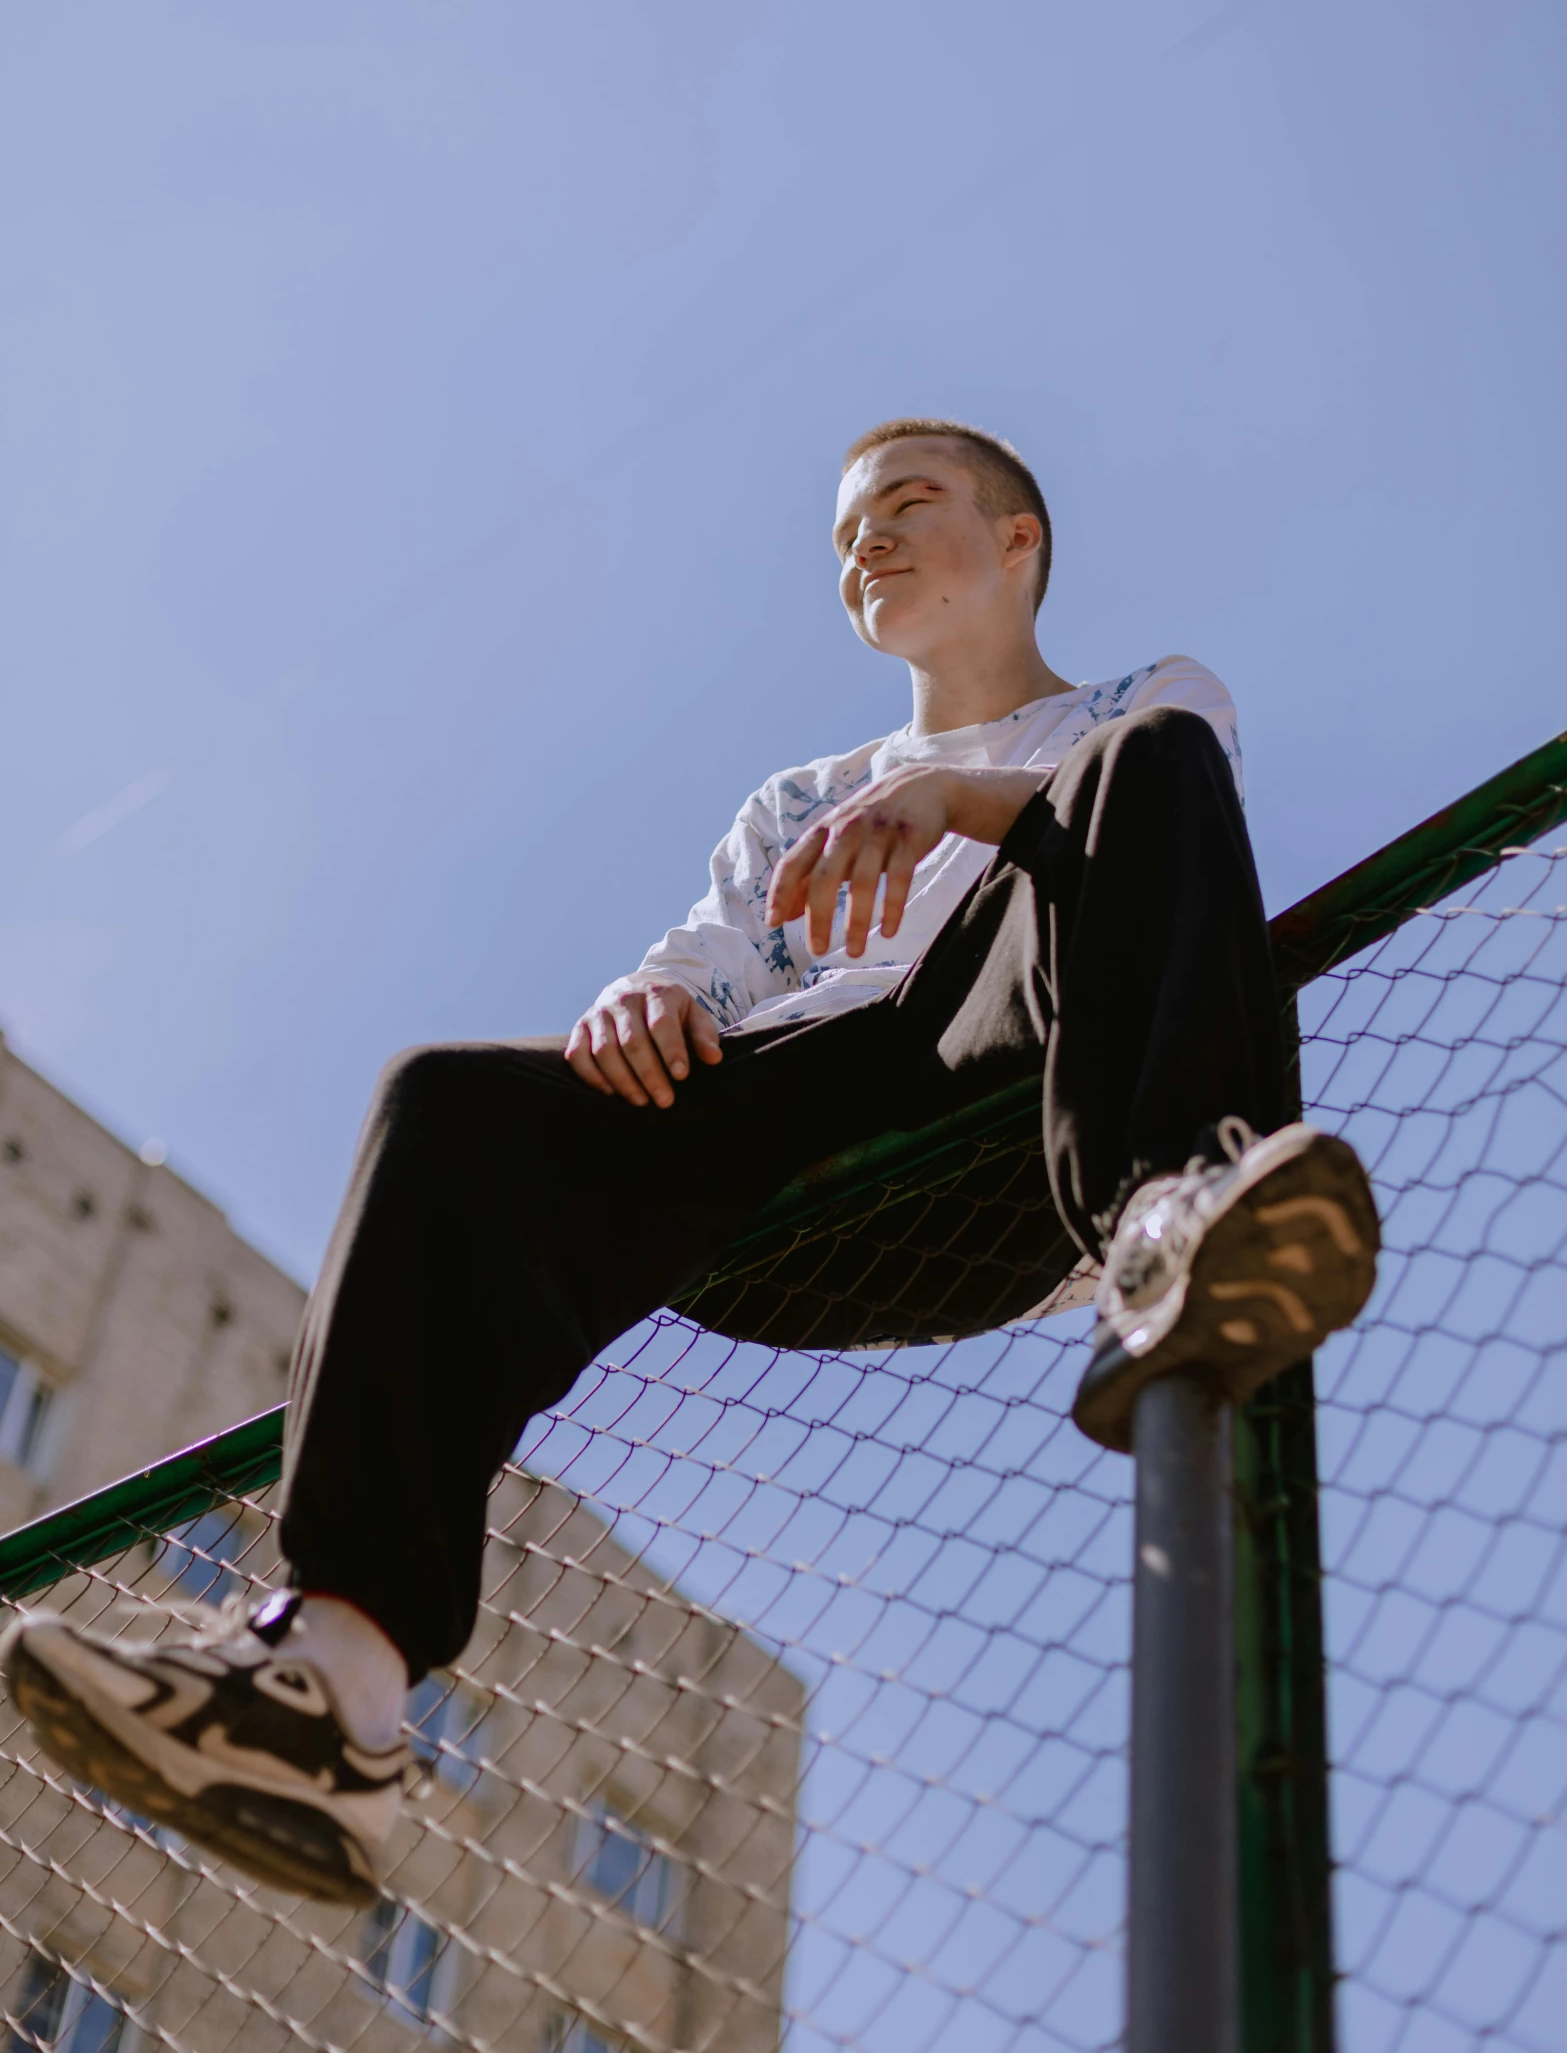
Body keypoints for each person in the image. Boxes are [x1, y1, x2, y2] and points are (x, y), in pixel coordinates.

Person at [2, 419, 1378, 1904]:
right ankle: (331, 1693)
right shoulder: (793, 803)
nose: (872, 544)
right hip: (788, 1178)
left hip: (1017, 1109)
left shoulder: (1144, 705)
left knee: (1137, 776)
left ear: (1018, 542)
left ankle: (1172, 1210)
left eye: (909, 507)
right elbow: (689, 980)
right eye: (851, 532)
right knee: (441, 1104)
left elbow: (1163, 845)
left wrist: (963, 802)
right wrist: (638, 1002)